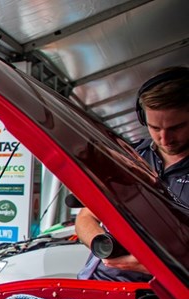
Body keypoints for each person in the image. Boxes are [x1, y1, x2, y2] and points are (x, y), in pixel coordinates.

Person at [76, 66, 189, 281]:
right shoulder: (130, 157)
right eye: (154, 127)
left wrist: (156, 266)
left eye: (176, 127)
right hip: (96, 287)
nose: (164, 139)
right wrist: (102, 244)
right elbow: (86, 216)